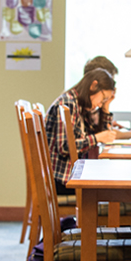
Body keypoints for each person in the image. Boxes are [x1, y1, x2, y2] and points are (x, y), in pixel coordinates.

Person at [45, 68, 117, 196]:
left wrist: (106, 108)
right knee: (112, 191)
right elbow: (65, 147)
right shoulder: (68, 103)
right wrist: (97, 138)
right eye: (103, 99)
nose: (100, 104)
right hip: (62, 179)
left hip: (67, 175)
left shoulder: (79, 104)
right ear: (94, 85)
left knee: (110, 185)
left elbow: (102, 134)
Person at [83, 56, 131, 139]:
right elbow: (102, 135)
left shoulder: (94, 107)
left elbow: (104, 135)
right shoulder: (79, 106)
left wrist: (106, 104)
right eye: (110, 83)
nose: (112, 88)